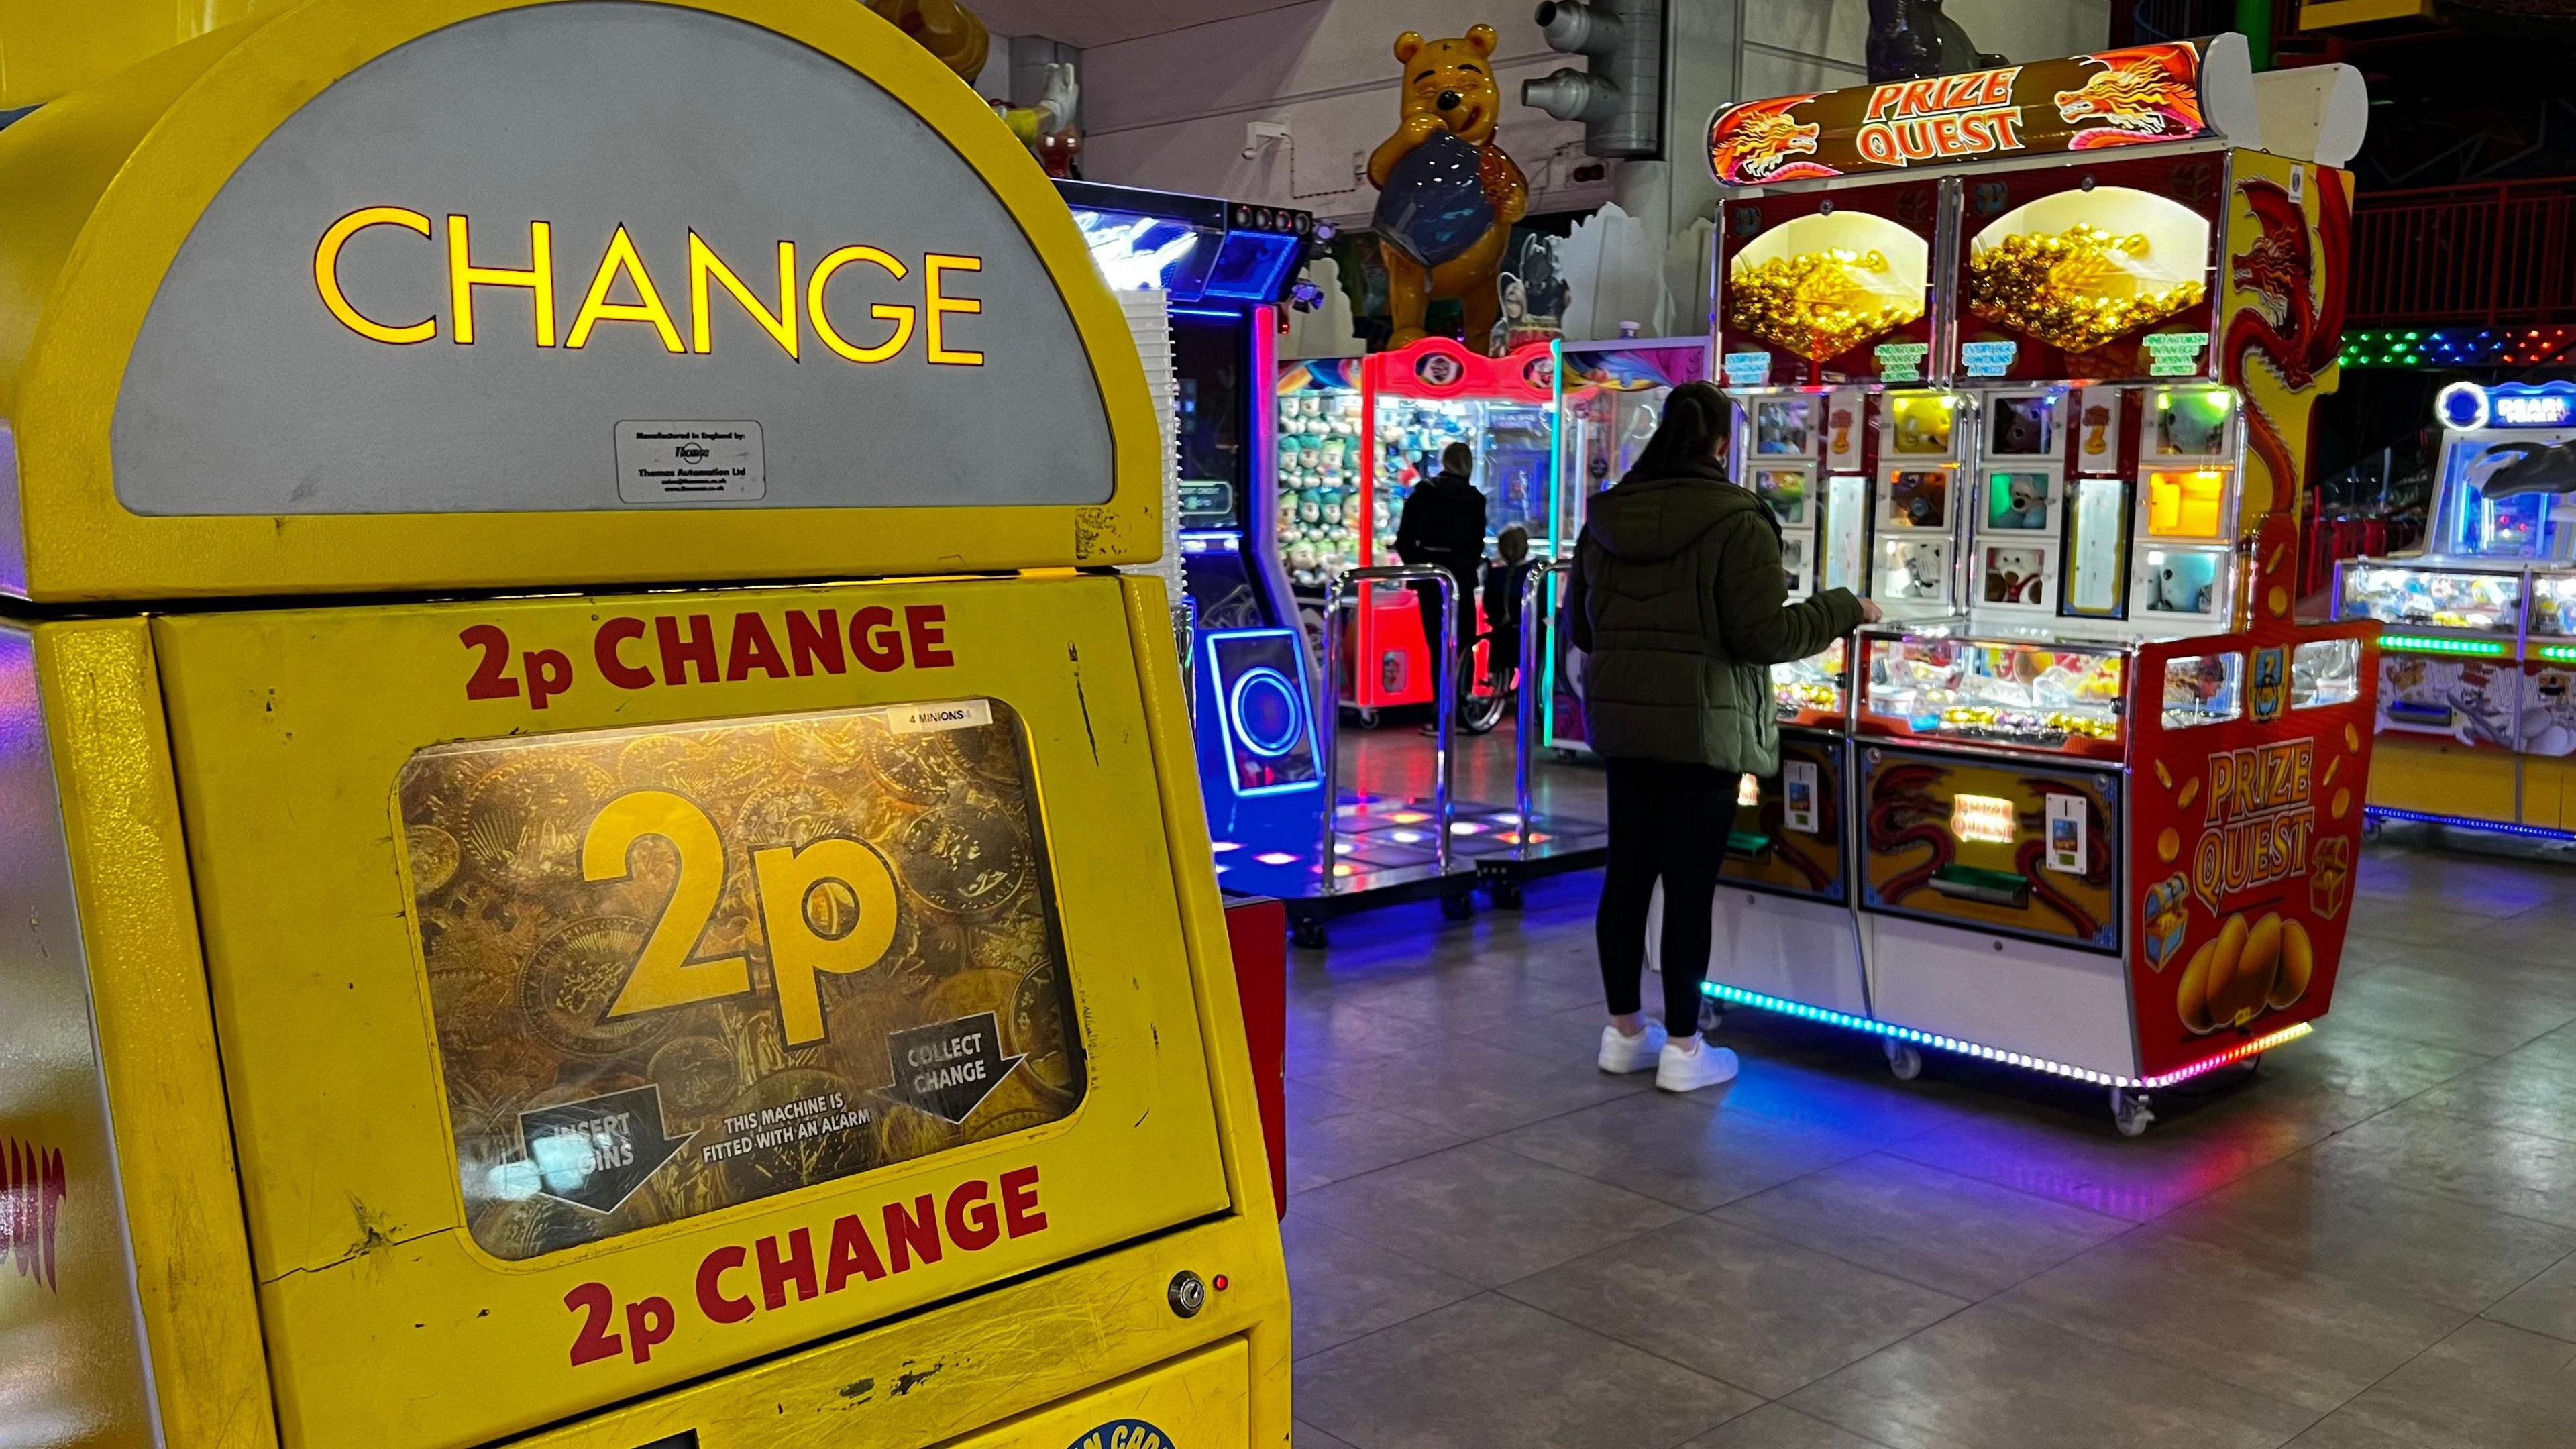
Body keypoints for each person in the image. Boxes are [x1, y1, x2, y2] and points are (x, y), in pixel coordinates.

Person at [1565, 381, 1878, 1092]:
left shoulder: (1605, 517)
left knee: (1627, 879)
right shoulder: (1740, 520)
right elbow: (1763, 635)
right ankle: (1682, 1048)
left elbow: (1583, 628)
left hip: (1623, 725)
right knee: (1687, 887)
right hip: (1703, 728)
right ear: (1719, 444)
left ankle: (1622, 1034)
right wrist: (1842, 608)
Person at [1392, 442, 1488, 716]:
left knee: (1437, 642)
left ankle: (1441, 705)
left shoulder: (1424, 493)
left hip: (1431, 576)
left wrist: (1419, 565)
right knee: (1465, 641)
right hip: (1462, 576)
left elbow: (1404, 540)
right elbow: (1476, 545)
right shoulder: (1475, 499)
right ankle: (1463, 700)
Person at [1481, 523, 1536, 692]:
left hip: (1501, 634)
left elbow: (1488, 605)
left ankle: (1499, 690)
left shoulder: (1495, 575)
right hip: (1527, 633)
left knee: (1501, 659)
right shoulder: (1534, 572)